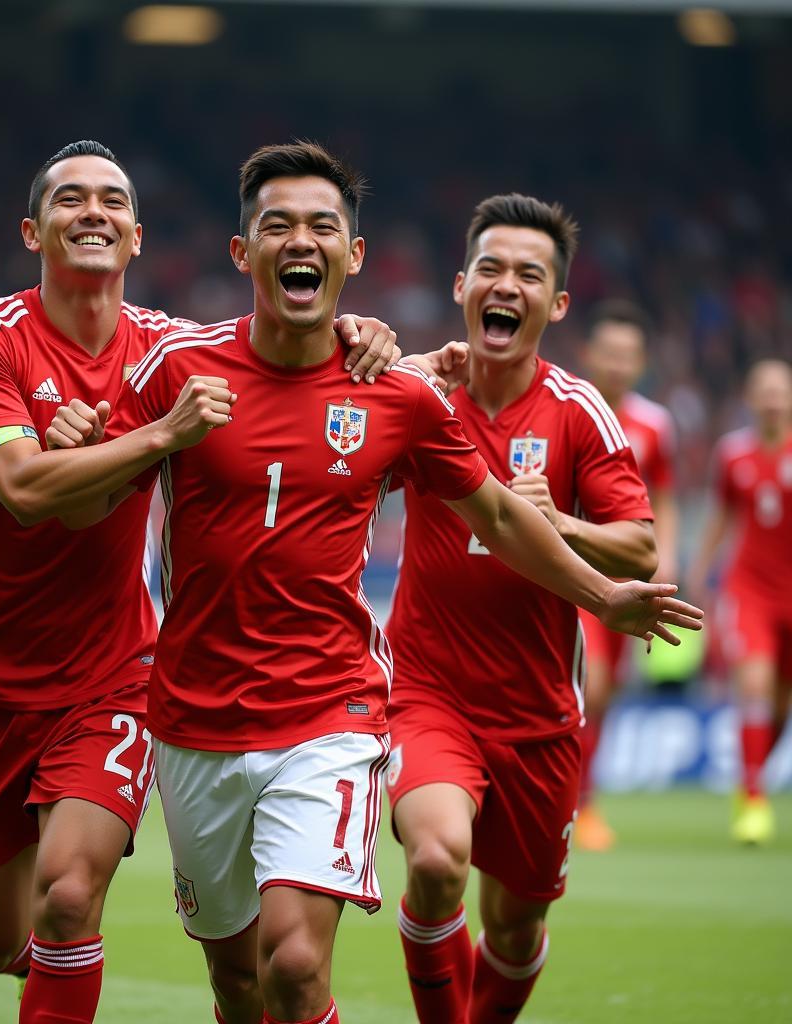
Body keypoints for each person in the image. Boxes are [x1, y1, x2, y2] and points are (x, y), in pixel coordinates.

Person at [51, 146, 701, 1024]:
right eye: (276, 225)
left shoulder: (397, 395)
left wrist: (601, 595)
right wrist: (73, 436)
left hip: (329, 713)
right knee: (238, 982)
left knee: (294, 962)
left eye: (323, 226)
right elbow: (86, 503)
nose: (300, 241)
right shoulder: (178, 372)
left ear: (352, 258)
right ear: (243, 254)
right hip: (192, 720)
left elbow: (503, 520)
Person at [0, 138, 399, 1024]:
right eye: (71, 200)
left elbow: (278, 342)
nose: (93, 212)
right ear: (34, 230)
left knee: (69, 896)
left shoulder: (172, 350)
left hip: (115, 674)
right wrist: (156, 437)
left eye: (112, 200)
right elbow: (27, 493)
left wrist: (357, 331)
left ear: (137, 238)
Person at [383, 194, 687, 1024]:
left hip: (539, 712)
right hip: (425, 693)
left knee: (513, 930)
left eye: (528, 274)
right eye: (490, 268)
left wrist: (559, 521)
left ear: (554, 305)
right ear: (460, 287)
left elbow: (639, 548)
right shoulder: (422, 398)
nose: (504, 285)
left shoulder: (579, 411)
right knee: (437, 861)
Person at [573, 300, 679, 850]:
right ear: (589, 354)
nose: (616, 364)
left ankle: (584, 803)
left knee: (604, 693)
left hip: (625, 577)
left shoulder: (656, 425)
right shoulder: (567, 408)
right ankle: (565, 799)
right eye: (607, 353)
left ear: (640, 362)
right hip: (568, 570)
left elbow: (664, 495)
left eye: (627, 355)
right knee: (586, 682)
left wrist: (670, 554)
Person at [687, 358, 792, 845]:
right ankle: (752, 798)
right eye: (764, 390)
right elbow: (720, 518)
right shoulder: (732, 455)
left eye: (781, 391)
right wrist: (699, 574)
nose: (773, 399)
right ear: (750, 398)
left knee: (779, 704)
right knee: (754, 682)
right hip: (748, 588)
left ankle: (751, 778)